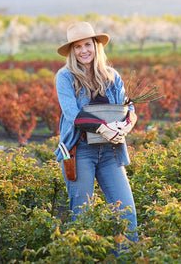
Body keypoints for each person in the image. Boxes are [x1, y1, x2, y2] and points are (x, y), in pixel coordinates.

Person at [54, 21, 138, 241]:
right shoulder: (65, 77)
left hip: (111, 152)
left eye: (87, 45)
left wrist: (125, 127)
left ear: (96, 46)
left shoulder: (111, 75)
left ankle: (125, 257)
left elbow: (129, 108)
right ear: (72, 52)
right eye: (77, 47)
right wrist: (104, 128)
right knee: (83, 216)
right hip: (80, 152)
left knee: (126, 214)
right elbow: (73, 114)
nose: (84, 51)